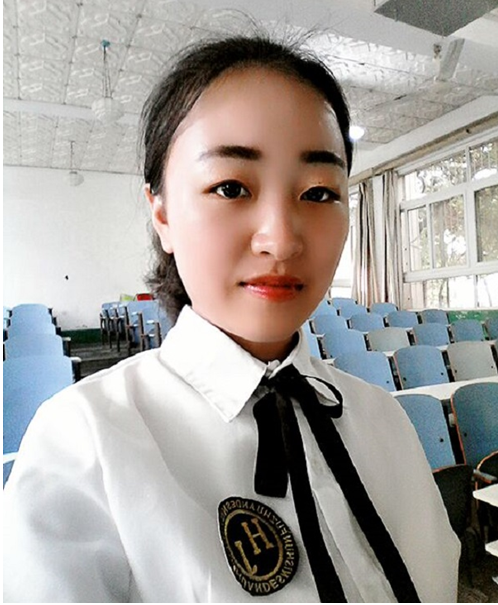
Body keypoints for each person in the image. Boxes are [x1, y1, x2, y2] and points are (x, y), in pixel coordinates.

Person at [3, 34, 459, 603]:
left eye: (319, 193)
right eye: (230, 187)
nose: (281, 240)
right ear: (162, 214)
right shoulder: (85, 444)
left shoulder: (384, 421)